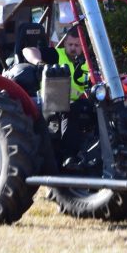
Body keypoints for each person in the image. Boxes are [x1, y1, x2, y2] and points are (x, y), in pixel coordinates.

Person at [23, 26, 92, 169]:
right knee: (72, 110)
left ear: (84, 45)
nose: (73, 48)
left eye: (77, 45)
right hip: (53, 103)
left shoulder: (89, 62)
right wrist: (39, 63)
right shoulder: (56, 55)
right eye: (70, 44)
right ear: (65, 43)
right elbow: (27, 50)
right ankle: (69, 157)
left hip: (82, 102)